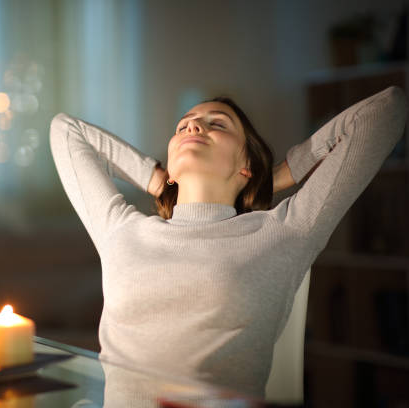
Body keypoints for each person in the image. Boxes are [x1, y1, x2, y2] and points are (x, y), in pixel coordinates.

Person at [49, 86, 407, 398]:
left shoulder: (284, 231)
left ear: (246, 164)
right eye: (184, 124)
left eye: (217, 123)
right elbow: (65, 130)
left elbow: (388, 109)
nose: (194, 125)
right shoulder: (122, 230)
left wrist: (280, 174)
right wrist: (157, 177)